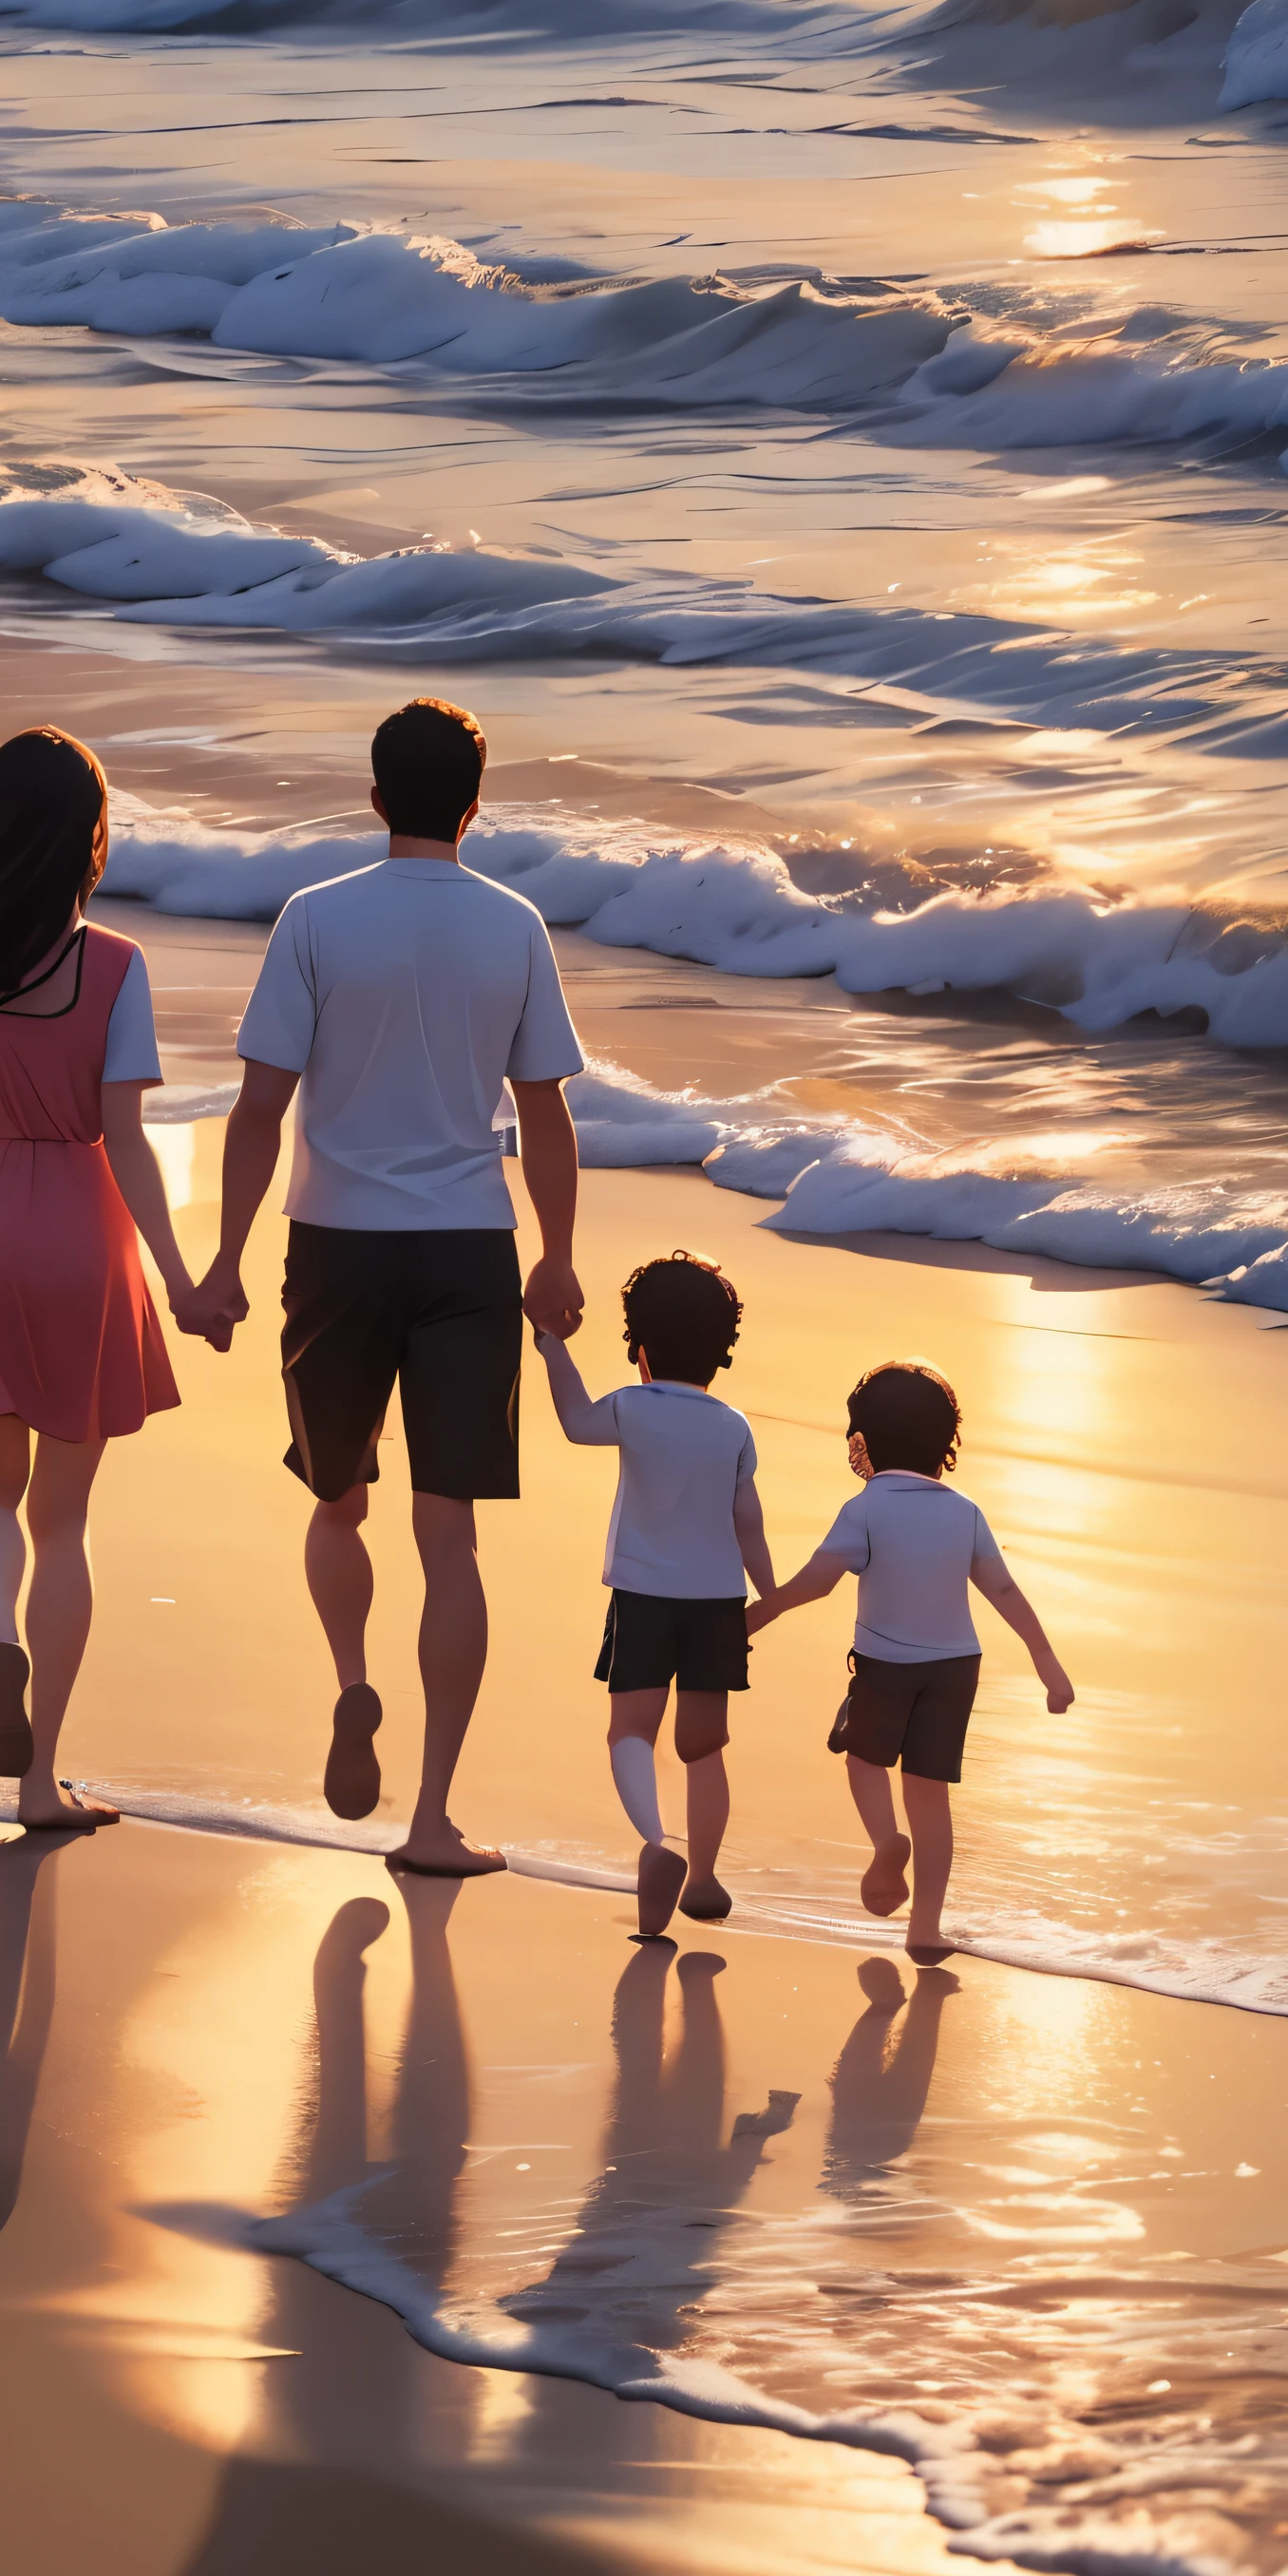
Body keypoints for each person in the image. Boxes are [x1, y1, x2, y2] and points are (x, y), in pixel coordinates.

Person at [192, 698, 584, 1881]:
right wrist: (555, 1255)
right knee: (449, 1539)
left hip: (335, 1245)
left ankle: (354, 1682)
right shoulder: (514, 925)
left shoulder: (316, 918)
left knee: (335, 1501)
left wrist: (221, 1262)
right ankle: (432, 1819)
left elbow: (259, 1108)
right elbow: (547, 1111)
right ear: (475, 804)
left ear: (374, 798)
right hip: (467, 1243)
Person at [0, 726, 202, 1833]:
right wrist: (178, 1272)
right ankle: (38, 1784)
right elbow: (126, 1136)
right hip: (79, 1227)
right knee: (63, 1524)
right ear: (89, 841)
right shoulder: (115, 967)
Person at [749, 1358, 1073, 1961]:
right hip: (956, 1667)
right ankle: (925, 1927)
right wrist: (1046, 1663)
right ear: (945, 1442)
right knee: (931, 1795)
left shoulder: (866, 1507)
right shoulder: (965, 1510)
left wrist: (756, 1614)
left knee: (864, 1762)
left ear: (863, 1440)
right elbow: (1003, 1591)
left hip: (885, 1663)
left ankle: (884, 1841)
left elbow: (815, 1583)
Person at [535, 1249, 775, 1940]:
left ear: (639, 1346)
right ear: (721, 1350)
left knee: (631, 1732)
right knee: (704, 1745)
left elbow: (577, 1421)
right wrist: (773, 1591)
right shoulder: (733, 1426)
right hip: (717, 1603)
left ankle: (655, 1840)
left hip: (643, 1595)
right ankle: (702, 1878)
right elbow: (748, 1520)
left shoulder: (632, 1408)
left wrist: (551, 1346)